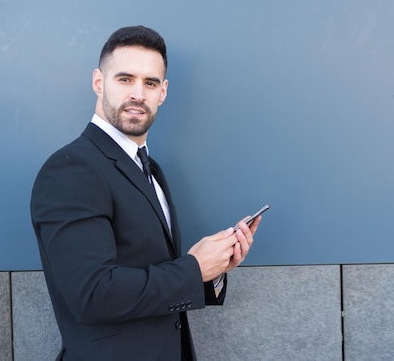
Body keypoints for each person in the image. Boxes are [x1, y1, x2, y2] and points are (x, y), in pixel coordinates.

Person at [30, 25, 260, 361]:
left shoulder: (151, 169)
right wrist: (194, 269)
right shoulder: (71, 169)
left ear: (163, 92)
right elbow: (92, 294)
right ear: (98, 82)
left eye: (150, 83)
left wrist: (214, 270)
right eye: (125, 79)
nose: (138, 93)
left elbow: (154, 275)